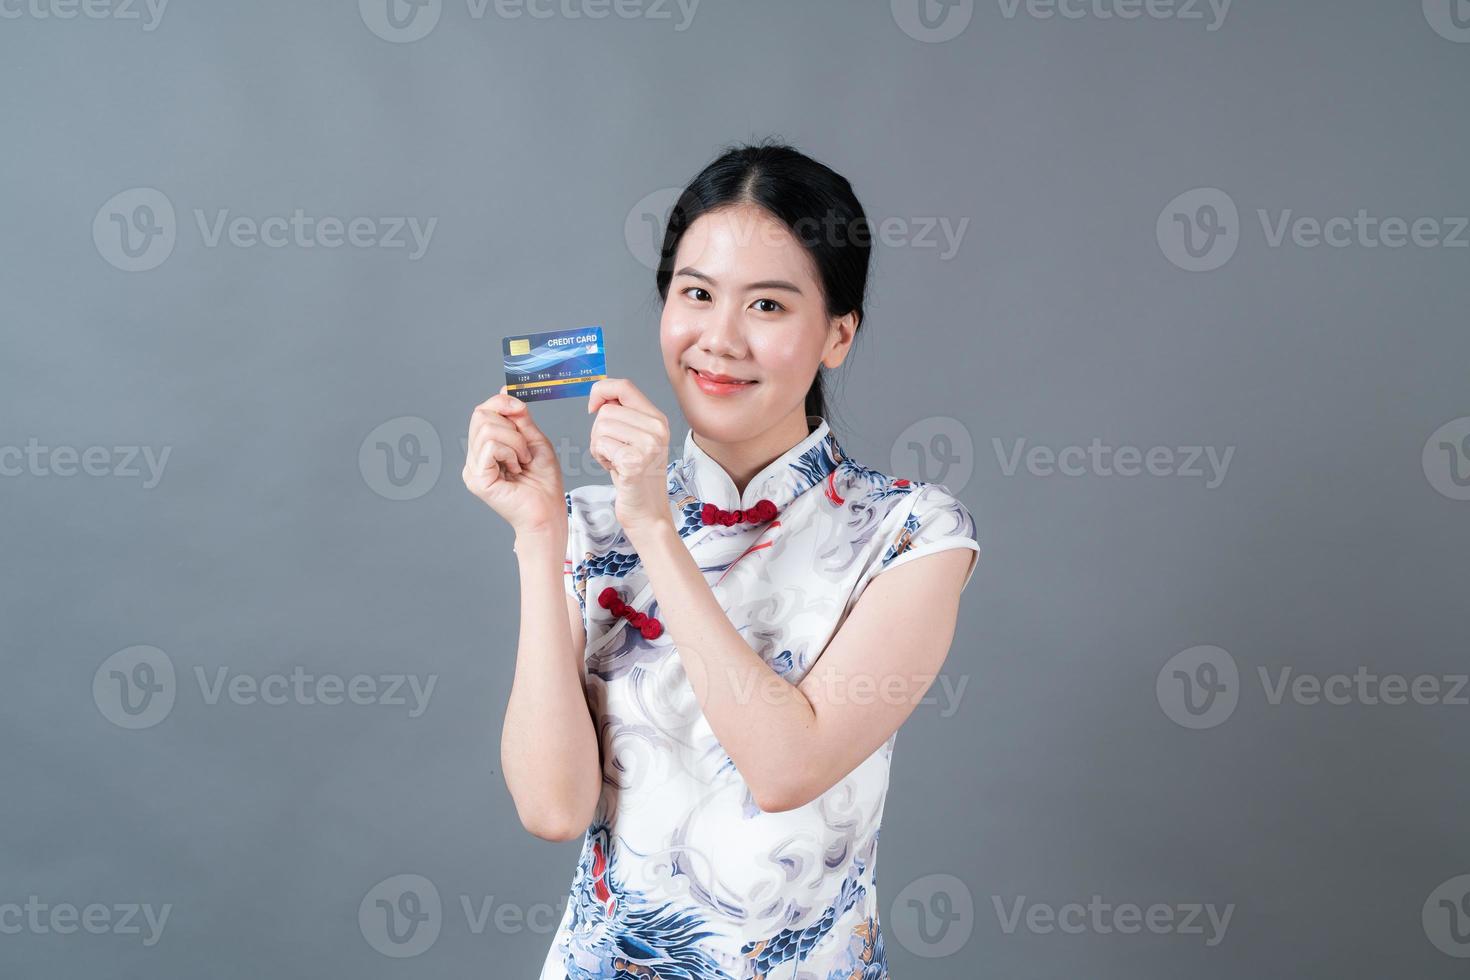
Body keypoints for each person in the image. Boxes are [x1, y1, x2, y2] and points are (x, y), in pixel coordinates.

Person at [464, 141, 980, 980]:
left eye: (769, 307)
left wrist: (659, 533)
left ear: (838, 334)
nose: (720, 339)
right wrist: (537, 537)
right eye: (696, 294)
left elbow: (785, 768)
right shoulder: (590, 526)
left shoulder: (911, 534)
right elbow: (553, 808)